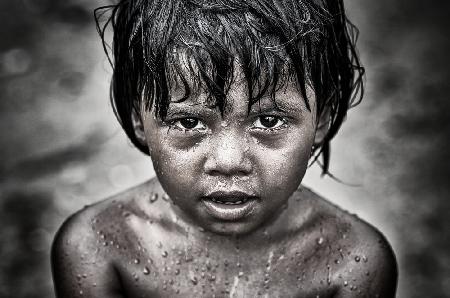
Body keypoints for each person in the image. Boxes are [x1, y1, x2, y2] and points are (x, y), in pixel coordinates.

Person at [51, 0, 398, 297]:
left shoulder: (354, 261)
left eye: (269, 121)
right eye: (188, 123)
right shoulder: (97, 246)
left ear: (320, 119)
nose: (229, 162)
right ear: (139, 121)